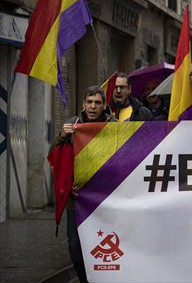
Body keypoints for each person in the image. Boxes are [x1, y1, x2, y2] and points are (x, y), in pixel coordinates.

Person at [50, 86, 116, 283]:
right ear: (83, 104)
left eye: (97, 102)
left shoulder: (114, 127)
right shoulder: (72, 125)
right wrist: (61, 136)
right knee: (75, 246)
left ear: (104, 105)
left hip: (105, 200)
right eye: (89, 102)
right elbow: (54, 155)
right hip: (76, 199)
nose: (93, 106)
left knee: (106, 244)